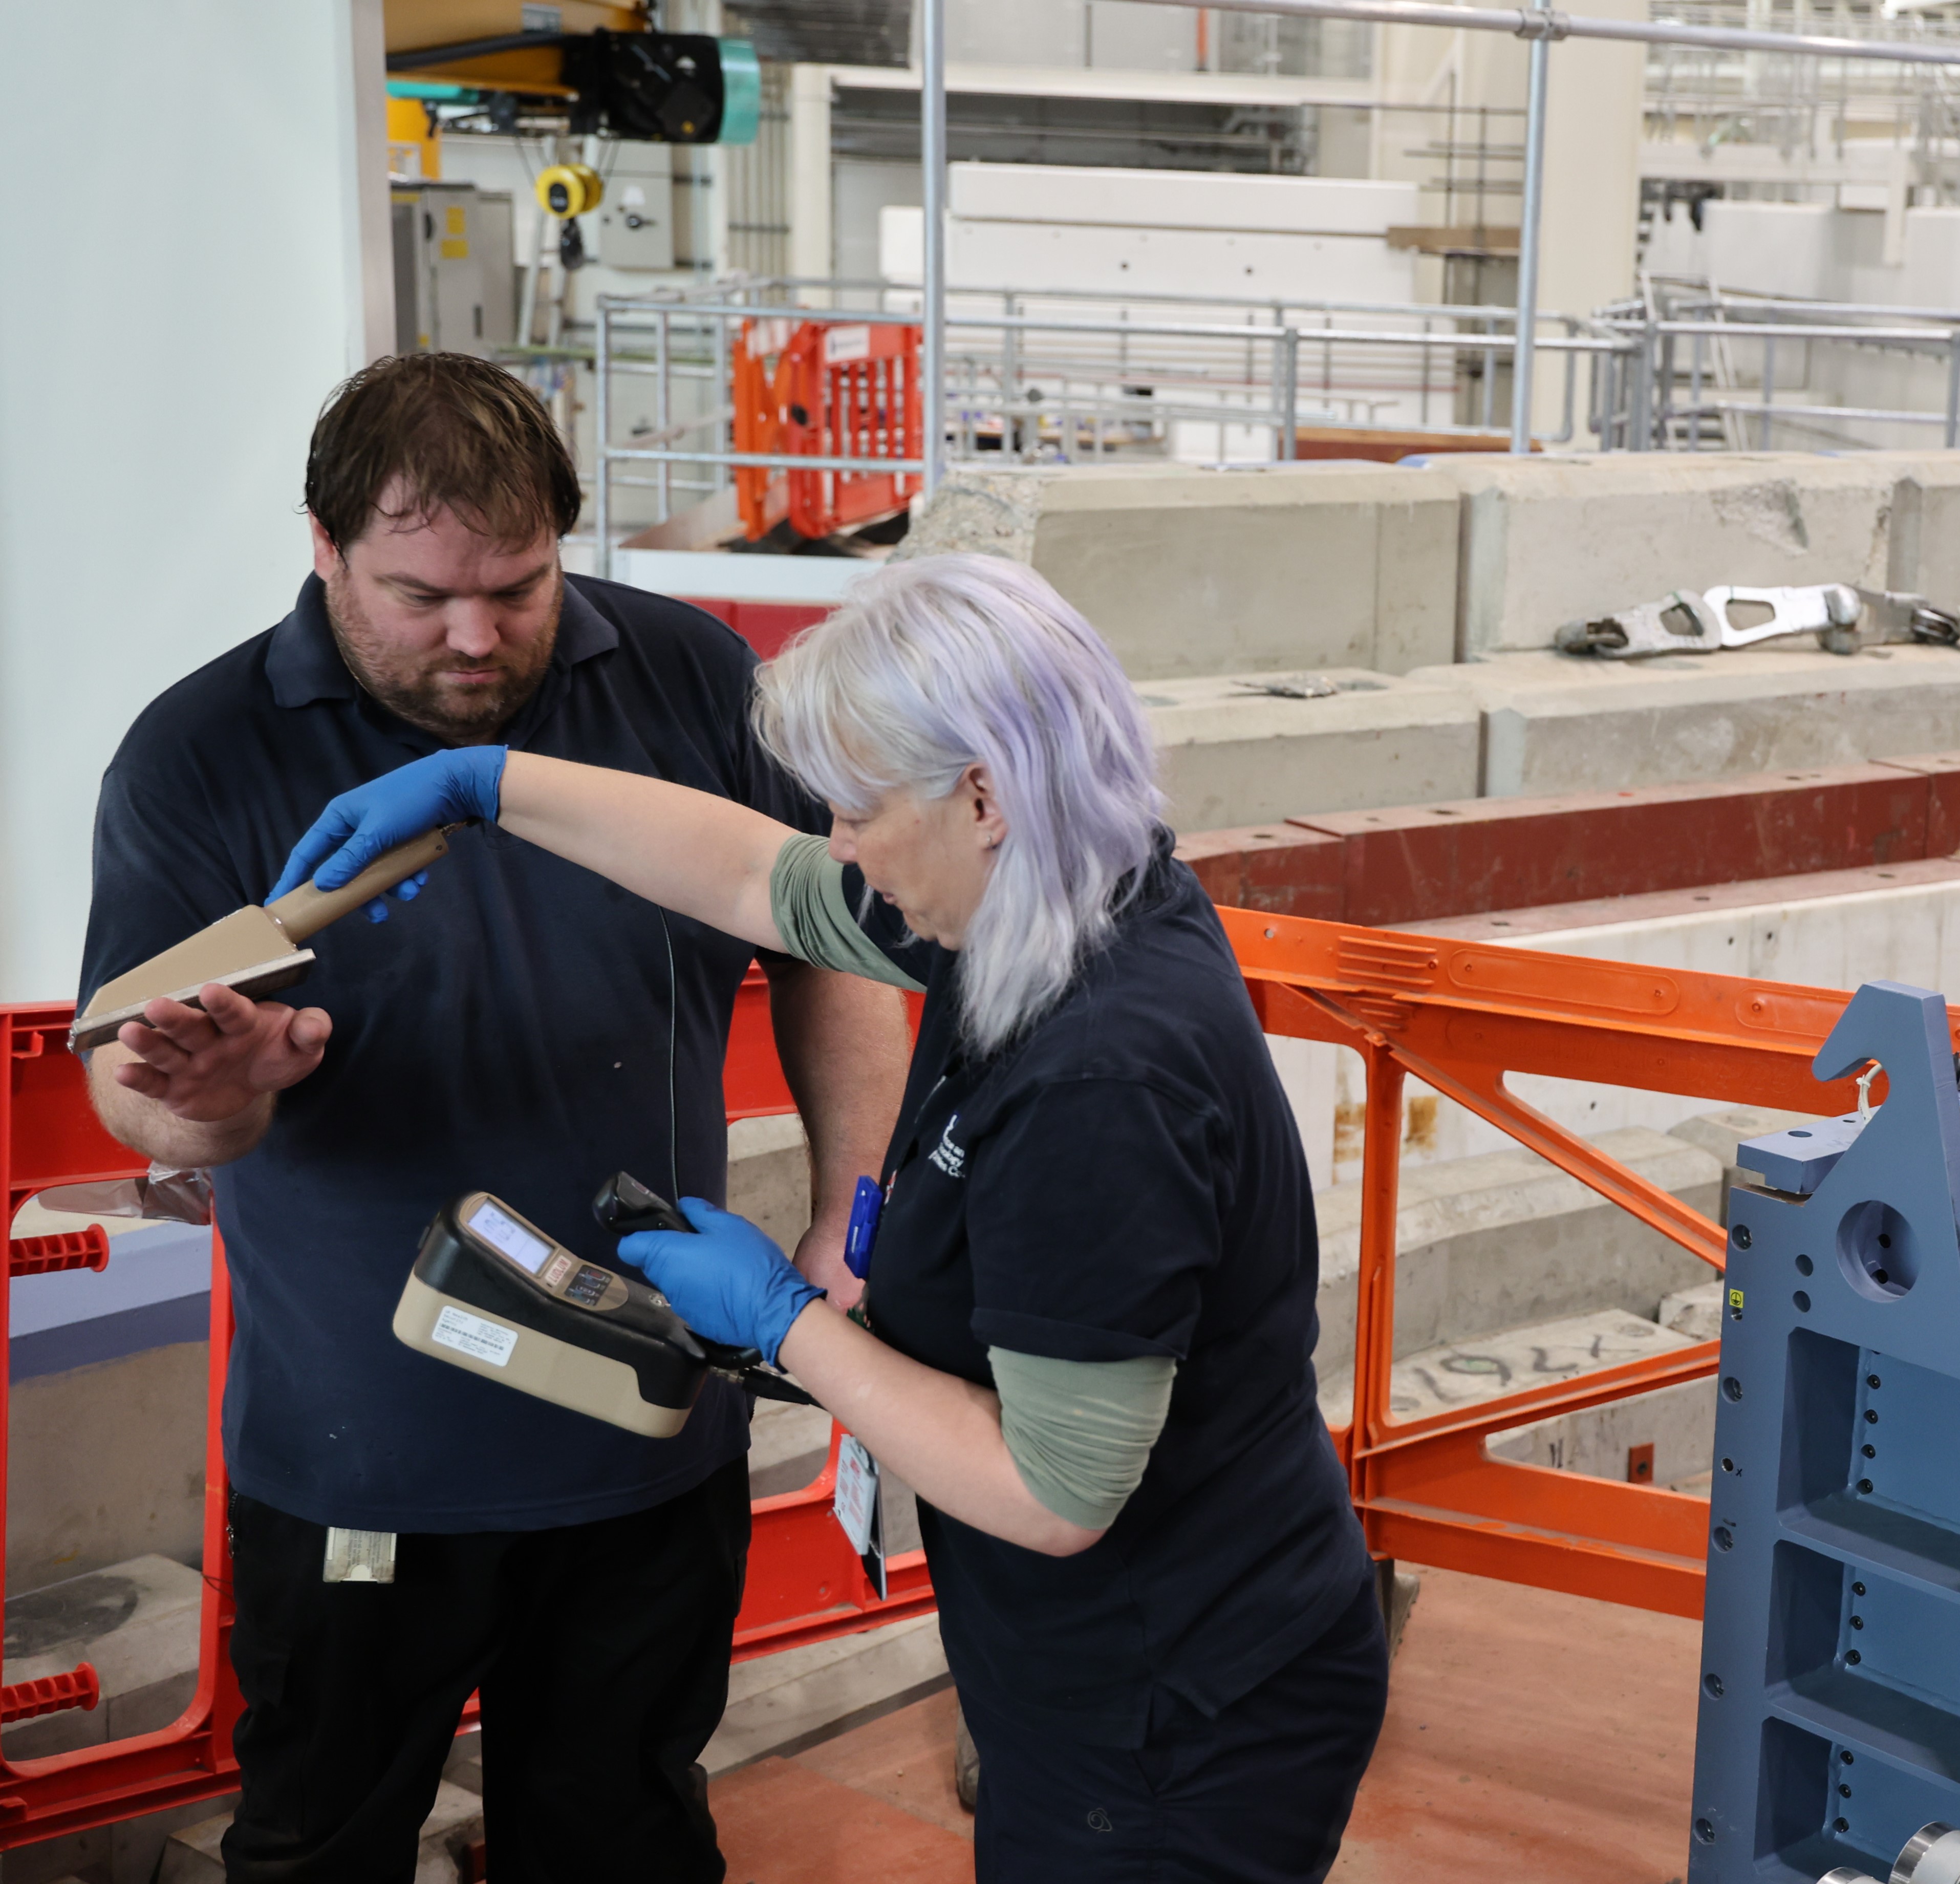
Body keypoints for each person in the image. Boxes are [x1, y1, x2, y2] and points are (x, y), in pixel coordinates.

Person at [272, 552, 1389, 1881]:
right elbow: (763, 880)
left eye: (860, 808)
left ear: (983, 793)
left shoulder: (1107, 1078)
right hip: (1120, 1670)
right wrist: (490, 789)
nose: (843, 844)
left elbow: (1054, 1490)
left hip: (1173, 1718)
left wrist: (785, 1323)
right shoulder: (1043, 897)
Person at [77, 353, 910, 1881]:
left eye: (518, 589)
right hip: (362, 1459)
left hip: (650, 1433)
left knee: (625, 1841)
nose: (476, 638)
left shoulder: (691, 678)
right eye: (418, 597)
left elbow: (834, 944)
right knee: (322, 1847)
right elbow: (141, 1097)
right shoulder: (200, 751)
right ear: (323, 549)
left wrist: (853, 1213)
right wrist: (211, 1101)